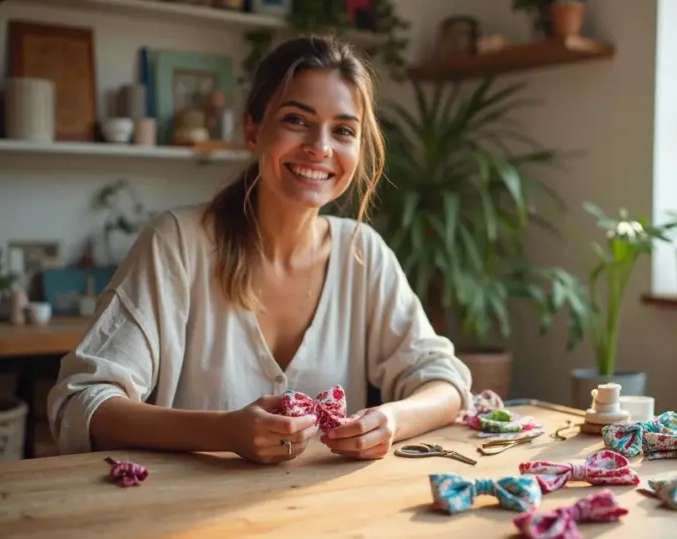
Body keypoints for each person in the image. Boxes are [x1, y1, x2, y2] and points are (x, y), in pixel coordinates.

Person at [47, 35, 473, 463]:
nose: (321, 147)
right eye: (296, 120)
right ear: (253, 130)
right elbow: (82, 402)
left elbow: (443, 382)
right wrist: (221, 431)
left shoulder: (363, 253)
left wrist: (392, 420)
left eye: (343, 130)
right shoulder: (177, 243)